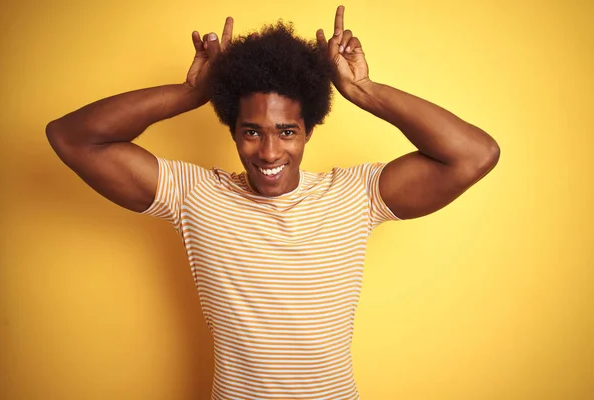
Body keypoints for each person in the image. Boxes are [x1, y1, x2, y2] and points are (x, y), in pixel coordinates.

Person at [46, 5, 499, 400]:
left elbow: (474, 155)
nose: (268, 152)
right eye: (251, 131)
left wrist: (364, 91)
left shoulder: (355, 195)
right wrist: (189, 95)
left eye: (287, 131)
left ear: (308, 129)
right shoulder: (195, 195)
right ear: (232, 129)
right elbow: (73, 137)